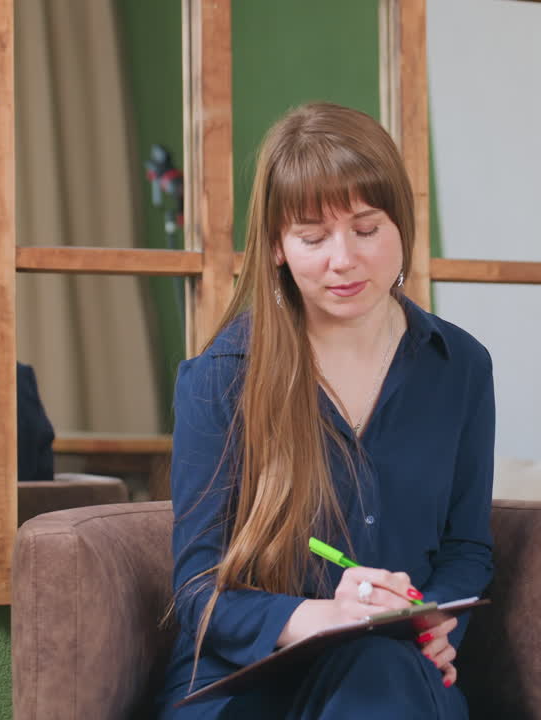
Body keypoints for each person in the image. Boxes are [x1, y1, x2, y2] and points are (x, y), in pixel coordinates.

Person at [156, 102, 495, 719]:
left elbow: (466, 547)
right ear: (277, 247)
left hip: (395, 666)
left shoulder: (461, 367)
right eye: (313, 238)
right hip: (246, 684)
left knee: (381, 669)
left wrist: (435, 617)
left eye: (366, 230)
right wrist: (321, 616)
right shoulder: (221, 378)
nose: (343, 259)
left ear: (402, 226)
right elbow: (199, 590)